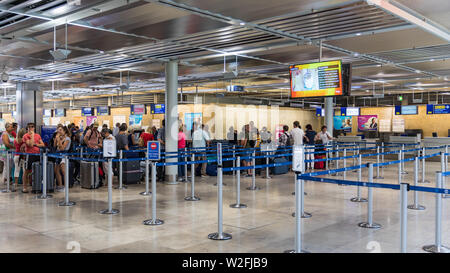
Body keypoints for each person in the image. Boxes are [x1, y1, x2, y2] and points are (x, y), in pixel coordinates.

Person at [23, 123, 45, 193]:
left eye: (32, 127)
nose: (30, 128)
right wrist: (32, 136)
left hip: (37, 154)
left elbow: (42, 144)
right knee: (27, 170)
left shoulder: (38, 135)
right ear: (27, 128)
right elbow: (30, 144)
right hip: (29, 155)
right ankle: (24, 187)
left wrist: (36, 144)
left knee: (36, 170)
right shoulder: (25, 136)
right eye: (29, 127)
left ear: (34, 128)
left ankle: (36, 185)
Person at [54, 126, 71, 192]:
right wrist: (56, 139)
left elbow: (62, 148)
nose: (59, 131)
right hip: (57, 154)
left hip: (64, 155)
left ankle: (66, 186)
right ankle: (60, 185)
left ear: (64, 131)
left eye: (60, 130)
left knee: (64, 171)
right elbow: (55, 146)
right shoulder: (59, 137)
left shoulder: (67, 139)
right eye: (58, 130)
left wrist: (59, 140)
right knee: (56, 170)